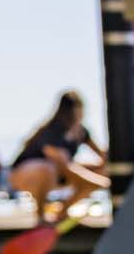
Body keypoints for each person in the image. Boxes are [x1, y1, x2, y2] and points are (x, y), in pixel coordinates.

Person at [8, 90, 108, 221]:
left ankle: (62, 212)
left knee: (101, 170)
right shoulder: (52, 129)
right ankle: (40, 217)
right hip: (28, 175)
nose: (81, 114)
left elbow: (102, 156)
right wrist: (102, 183)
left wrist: (107, 174)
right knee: (47, 168)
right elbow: (64, 165)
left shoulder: (81, 132)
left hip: (60, 174)